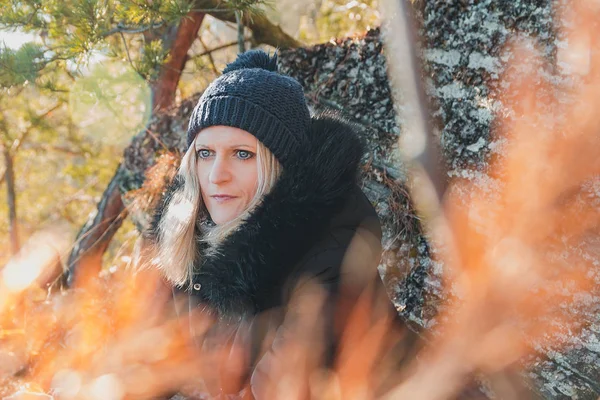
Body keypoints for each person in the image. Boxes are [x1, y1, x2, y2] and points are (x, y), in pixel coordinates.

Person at [144, 49, 399, 399]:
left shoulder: (330, 252)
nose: (217, 175)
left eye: (243, 154)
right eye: (206, 154)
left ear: (280, 167)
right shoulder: (190, 240)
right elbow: (145, 367)